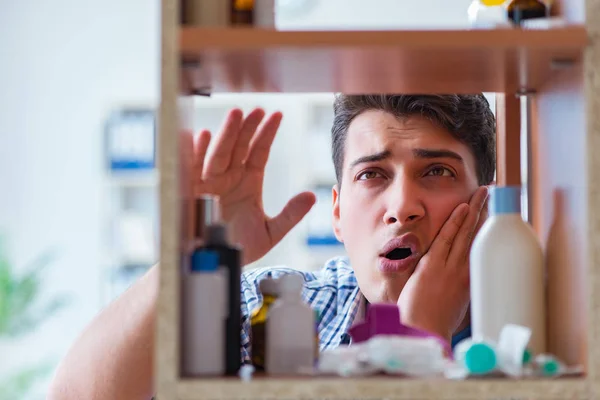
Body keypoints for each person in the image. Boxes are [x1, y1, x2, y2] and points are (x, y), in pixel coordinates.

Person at [47, 94, 495, 399]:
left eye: (436, 171)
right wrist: (198, 258)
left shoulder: (539, 317)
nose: (402, 207)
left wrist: (416, 335)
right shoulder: (272, 310)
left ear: (489, 202)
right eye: (371, 175)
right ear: (336, 214)